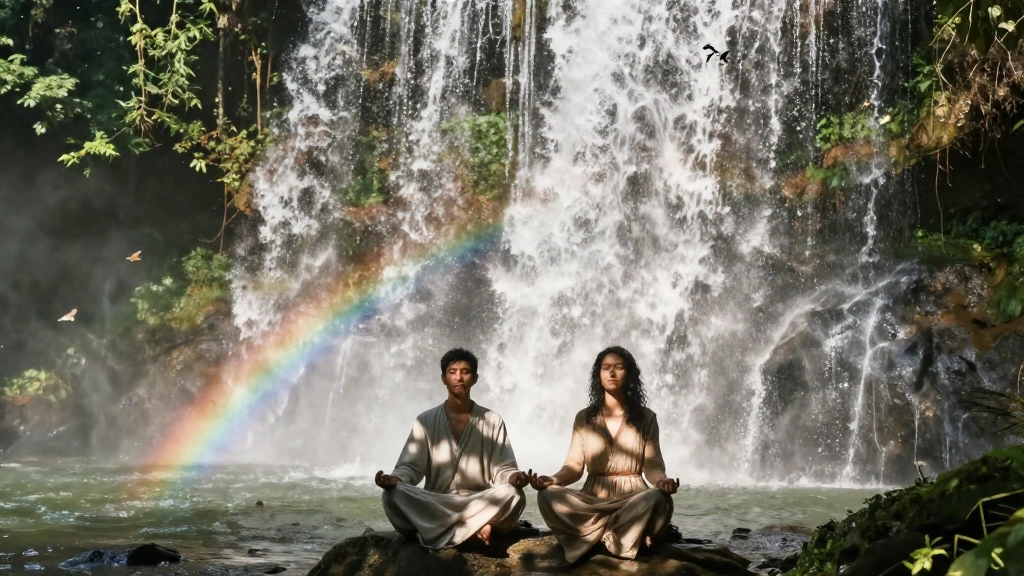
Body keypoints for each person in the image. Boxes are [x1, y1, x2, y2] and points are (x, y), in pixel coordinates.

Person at [531, 346, 679, 563]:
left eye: (619, 368)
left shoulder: (646, 417)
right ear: (598, 374)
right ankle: (622, 535)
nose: (611, 373)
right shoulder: (584, 417)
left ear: (628, 374)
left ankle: (593, 536)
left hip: (632, 498)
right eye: (606, 368)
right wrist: (552, 480)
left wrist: (663, 482)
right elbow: (574, 466)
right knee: (547, 495)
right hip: (592, 498)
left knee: (661, 499)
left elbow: (652, 466)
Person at [375, 348, 531, 548]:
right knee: (391, 495)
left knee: (514, 494)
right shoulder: (426, 420)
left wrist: (514, 478)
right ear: (443, 378)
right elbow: (410, 468)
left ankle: (434, 528)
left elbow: (503, 468)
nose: (459, 377)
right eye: (452, 372)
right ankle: (477, 526)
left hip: (478, 501)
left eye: (465, 372)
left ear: (475, 378)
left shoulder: (492, 420)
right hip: (436, 501)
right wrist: (394, 479)